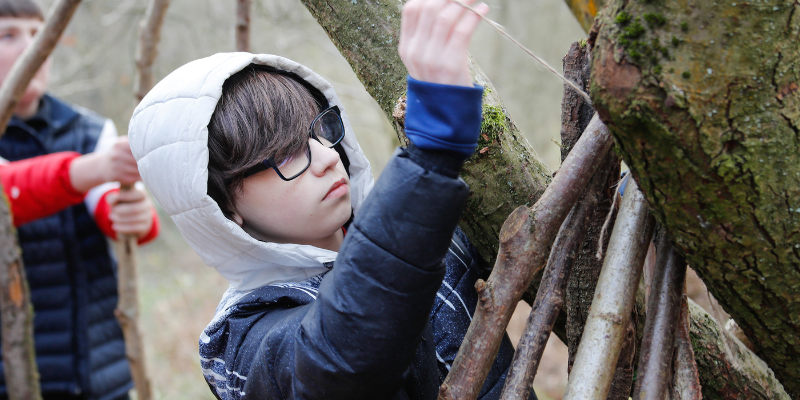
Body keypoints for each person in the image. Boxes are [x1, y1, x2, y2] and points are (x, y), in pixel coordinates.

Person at [129, 0, 534, 398]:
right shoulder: (238, 339)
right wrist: (431, 155)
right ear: (222, 205)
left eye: (319, 132)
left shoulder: (423, 226)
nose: (326, 158)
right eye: (287, 155)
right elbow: (341, 363)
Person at [0, 1, 159, 399]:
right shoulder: (92, 155)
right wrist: (93, 169)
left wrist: (135, 214)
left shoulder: (88, 129)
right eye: (8, 35)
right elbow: (9, 192)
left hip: (98, 370)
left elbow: (113, 206)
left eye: (39, 35)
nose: (30, 48)